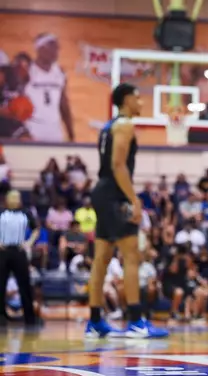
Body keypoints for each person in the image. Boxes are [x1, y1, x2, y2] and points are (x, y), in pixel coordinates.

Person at [85, 83, 168, 339]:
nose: (141, 103)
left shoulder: (109, 126)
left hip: (102, 192)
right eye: (137, 97)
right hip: (115, 195)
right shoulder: (125, 125)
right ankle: (135, 322)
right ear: (125, 100)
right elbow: (118, 165)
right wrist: (134, 199)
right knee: (131, 257)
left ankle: (95, 321)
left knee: (101, 260)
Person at [24, 33, 74, 142]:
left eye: (57, 47)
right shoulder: (27, 71)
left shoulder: (59, 73)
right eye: (52, 46)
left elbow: (63, 104)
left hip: (54, 129)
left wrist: (71, 134)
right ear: (40, 49)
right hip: (32, 128)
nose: (56, 51)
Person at [0, 190, 40, 326]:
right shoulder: (1, 212)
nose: (16, 200)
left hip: (19, 250)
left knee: (25, 284)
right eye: (13, 197)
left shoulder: (26, 212)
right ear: (7, 199)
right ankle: (1, 316)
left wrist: (29, 242)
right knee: (0, 284)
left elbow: (36, 229)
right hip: (3, 251)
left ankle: (30, 317)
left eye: (17, 197)